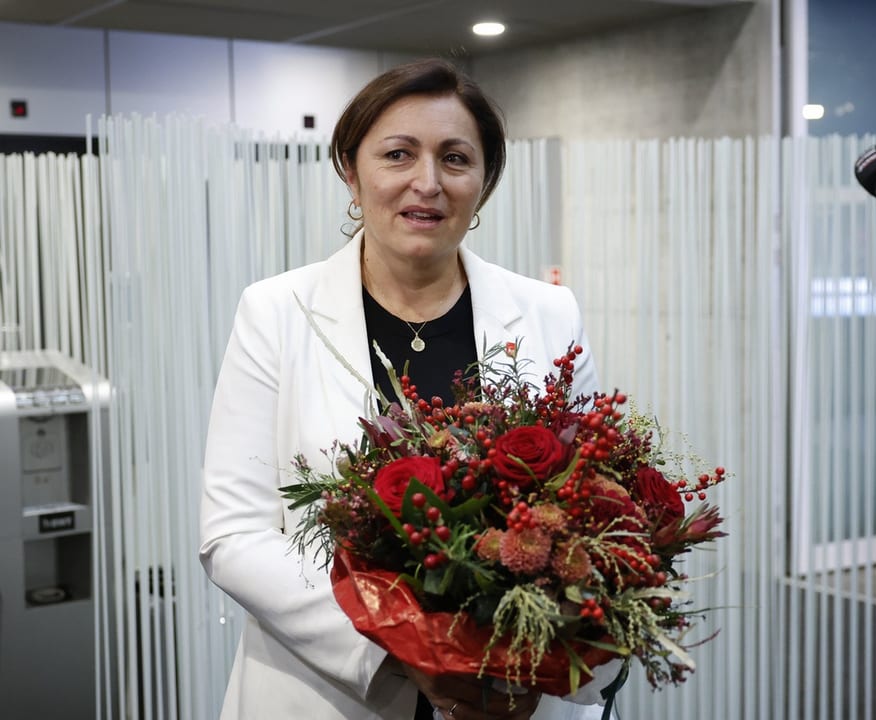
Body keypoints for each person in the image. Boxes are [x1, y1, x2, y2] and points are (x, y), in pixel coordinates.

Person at [200, 58, 612, 720]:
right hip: (331, 689)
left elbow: (597, 505)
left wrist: (536, 657)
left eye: (455, 158)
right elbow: (235, 534)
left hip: (511, 694)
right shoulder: (274, 312)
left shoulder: (549, 313)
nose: (427, 183)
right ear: (351, 172)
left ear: (482, 181)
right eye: (398, 154)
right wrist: (407, 652)